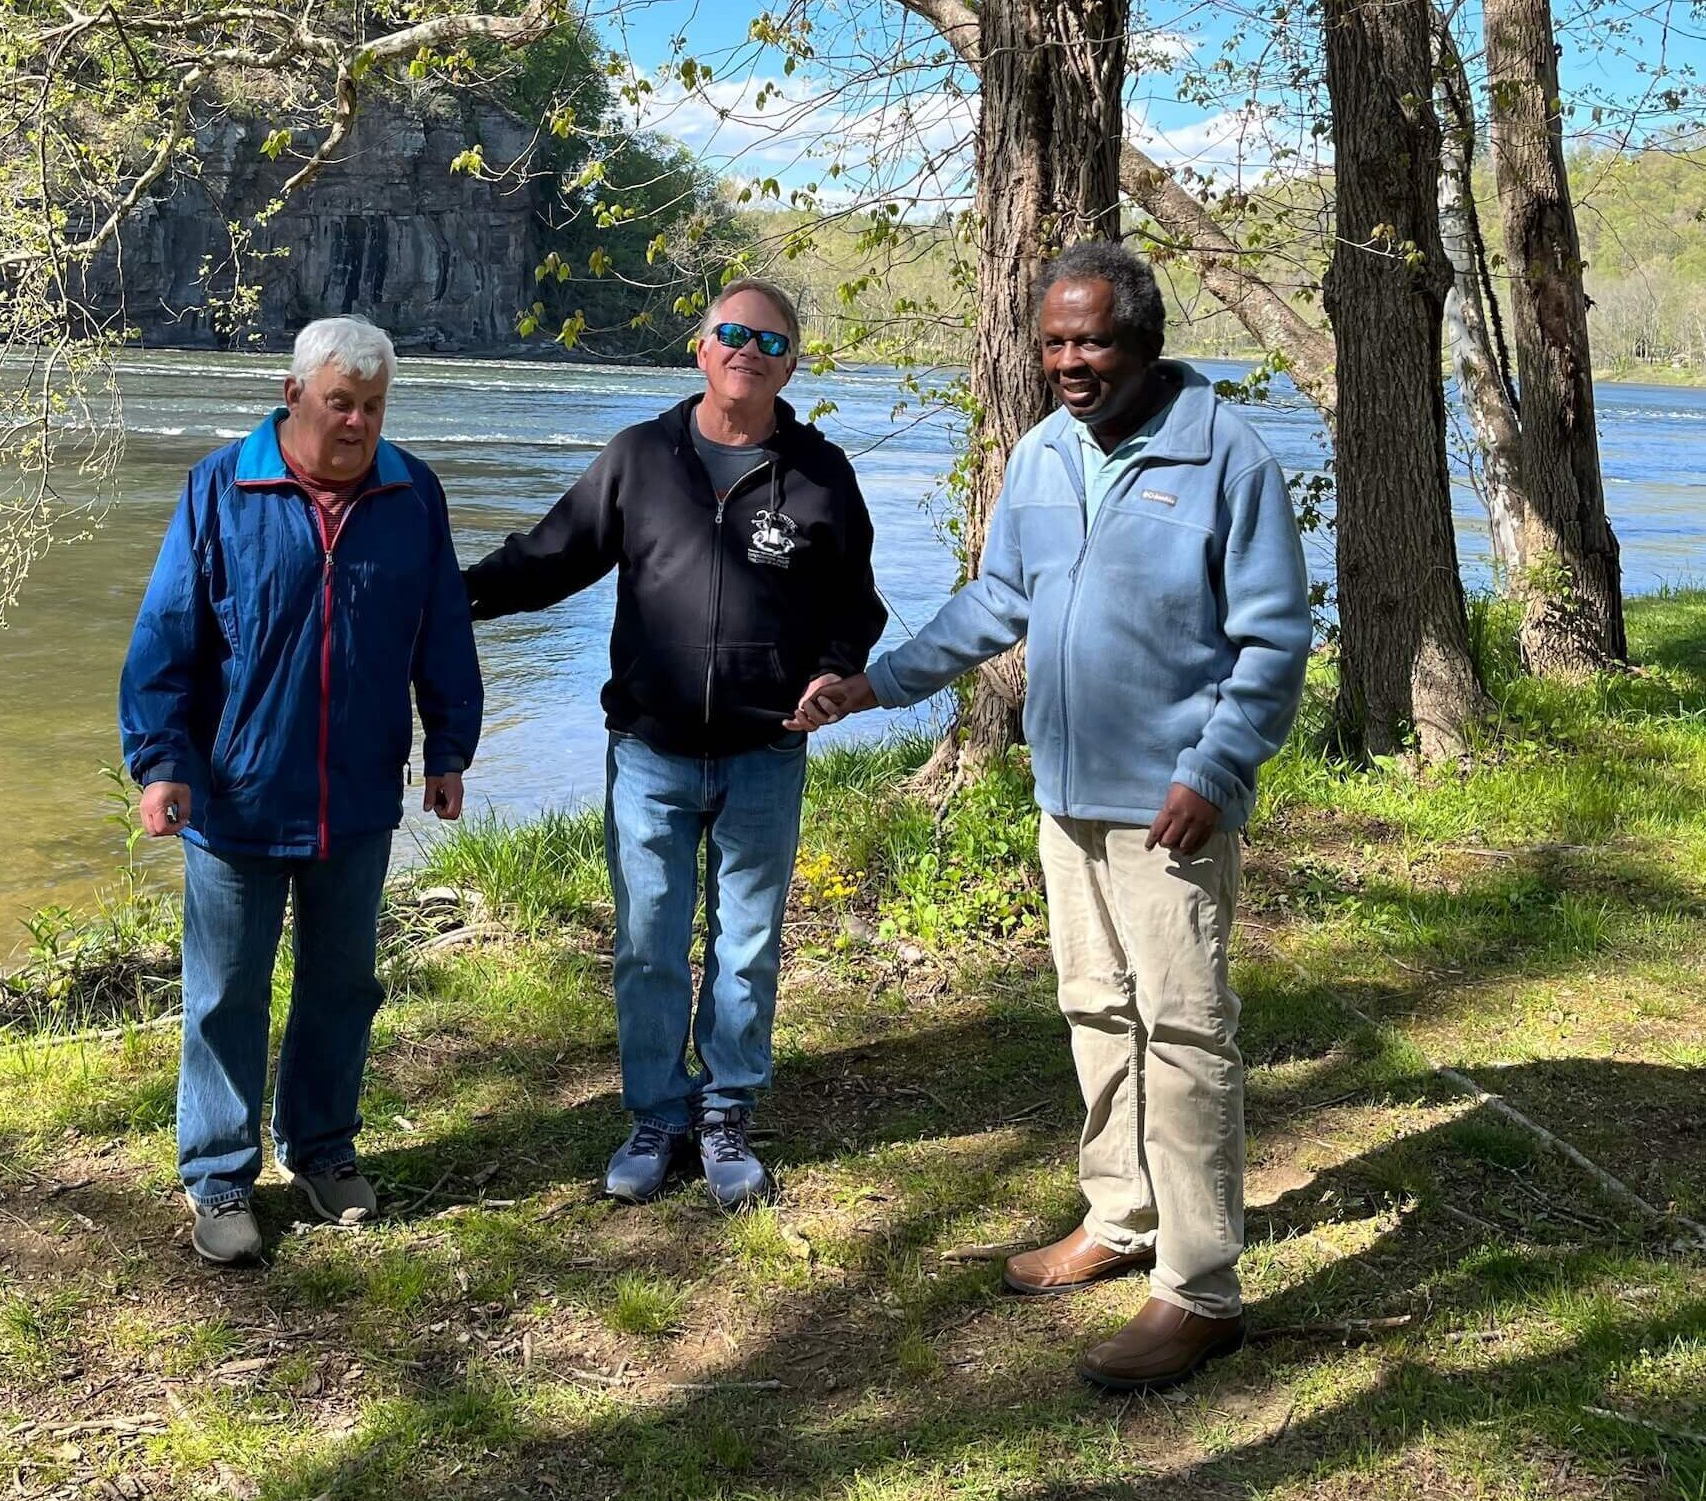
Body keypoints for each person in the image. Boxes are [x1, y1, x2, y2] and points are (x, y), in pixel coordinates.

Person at [801, 242, 1311, 1389]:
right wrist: (874, 683)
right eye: (1053, 343)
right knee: (1094, 1010)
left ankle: (1200, 1289)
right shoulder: (1039, 455)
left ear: (1144, 342)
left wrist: (1214, 773)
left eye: (1090, 341)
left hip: (1172, 806)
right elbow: (997, 600)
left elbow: (1275, 641)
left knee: (1185, 1035)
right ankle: (1120, 1218)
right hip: (1065, 797)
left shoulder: (1225, 456)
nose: (1069, 363)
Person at [464, 279, 886, 1208]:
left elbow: (855, 606)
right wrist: (452, 600)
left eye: (770, 341)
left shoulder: (821, 475)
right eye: (732, 333)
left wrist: (835, 670)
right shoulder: (640, 458)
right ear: (700, 350)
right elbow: (551, 558)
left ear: (790, 364)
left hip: (767, 750)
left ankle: (727, 1109)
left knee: (748, 944)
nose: (749, 350)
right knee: (649, 943)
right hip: (650, 753)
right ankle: (657, 1112)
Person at [119, 315, 481, 1265]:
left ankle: (320, 1148)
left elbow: (443, 630)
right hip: (238, 795)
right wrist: (161, 762)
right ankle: (220, 1177)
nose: (357, 423)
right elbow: (165, 637)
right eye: (339, 404)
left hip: (357, 798)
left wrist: (449, 747)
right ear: (293, 398)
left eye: (371, 407)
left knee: (342, 986)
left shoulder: (412, 495)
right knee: (224, 995)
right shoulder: (222, 488)